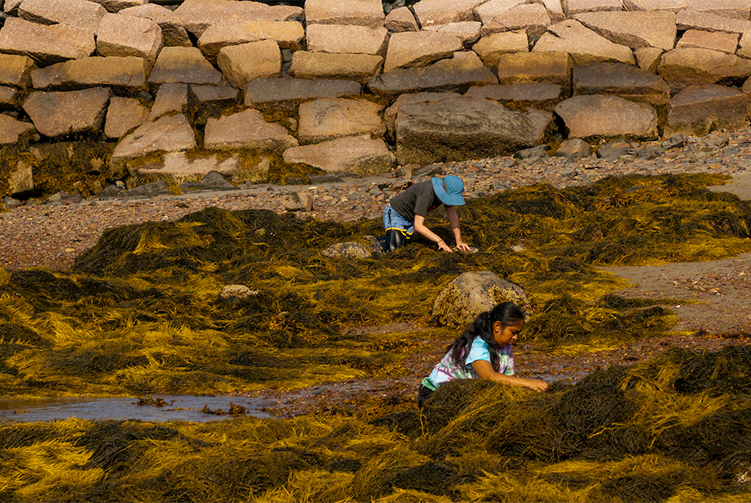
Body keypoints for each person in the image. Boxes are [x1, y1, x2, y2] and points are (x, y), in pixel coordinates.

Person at [418, 302, 548, 408]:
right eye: (513, 332)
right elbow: (489, 377)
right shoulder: (477, 345)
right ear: (497, 326)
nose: (515, 337)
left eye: (518, 333)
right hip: (435, 394)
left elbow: (507, 380)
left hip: (463, 394)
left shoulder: (506, 347)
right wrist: (529, 383)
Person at [380, 175, 472, 253]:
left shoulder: (446, 191)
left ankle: (387, 238)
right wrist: (439, 240)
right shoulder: (427, 195)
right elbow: (418, 226)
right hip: (396, 213)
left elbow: (452, 215)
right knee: (395, 249)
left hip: (412, 218)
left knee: (409, 247)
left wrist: (459, 241)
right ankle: (377, 242)